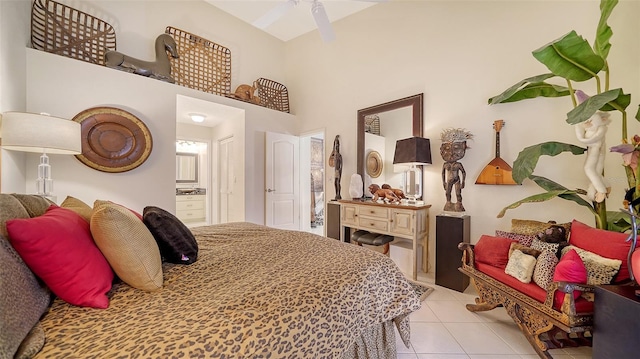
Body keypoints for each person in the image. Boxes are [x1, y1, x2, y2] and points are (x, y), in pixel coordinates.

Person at [574, 111, 611, 202]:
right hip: (593, 150)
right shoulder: (591, 130)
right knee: (596, 171)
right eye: (587, 121)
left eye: (591, 121)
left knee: (588, 169)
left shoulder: (601, 129)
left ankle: (601, 190)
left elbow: (593, 139)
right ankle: (606, 185)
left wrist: (582, 139)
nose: (588, 123)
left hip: (596, 150)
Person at [440, 128, 472, 212]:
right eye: (447, 149)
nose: (451, 153)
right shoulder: (445, 164)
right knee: (447, 193)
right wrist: (443, 182)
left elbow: (463, 173)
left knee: (458, 193)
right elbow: (443, 173)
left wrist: (463, 182)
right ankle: (448, 203)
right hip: (449, 180)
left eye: (456, 148)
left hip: (457, 179)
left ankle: (459, 203)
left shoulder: (458, 164)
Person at [329, 135, 342, 200]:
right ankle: (336, 194)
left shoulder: (339, 156)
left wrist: (339, 171)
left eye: (337, 146)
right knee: (335, 182)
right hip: (335, 171)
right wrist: (335, 139)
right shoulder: (334, 155)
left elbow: (341, 165)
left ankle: (338, 194)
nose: (336, 147)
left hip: (338, 170)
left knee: (338, 182)